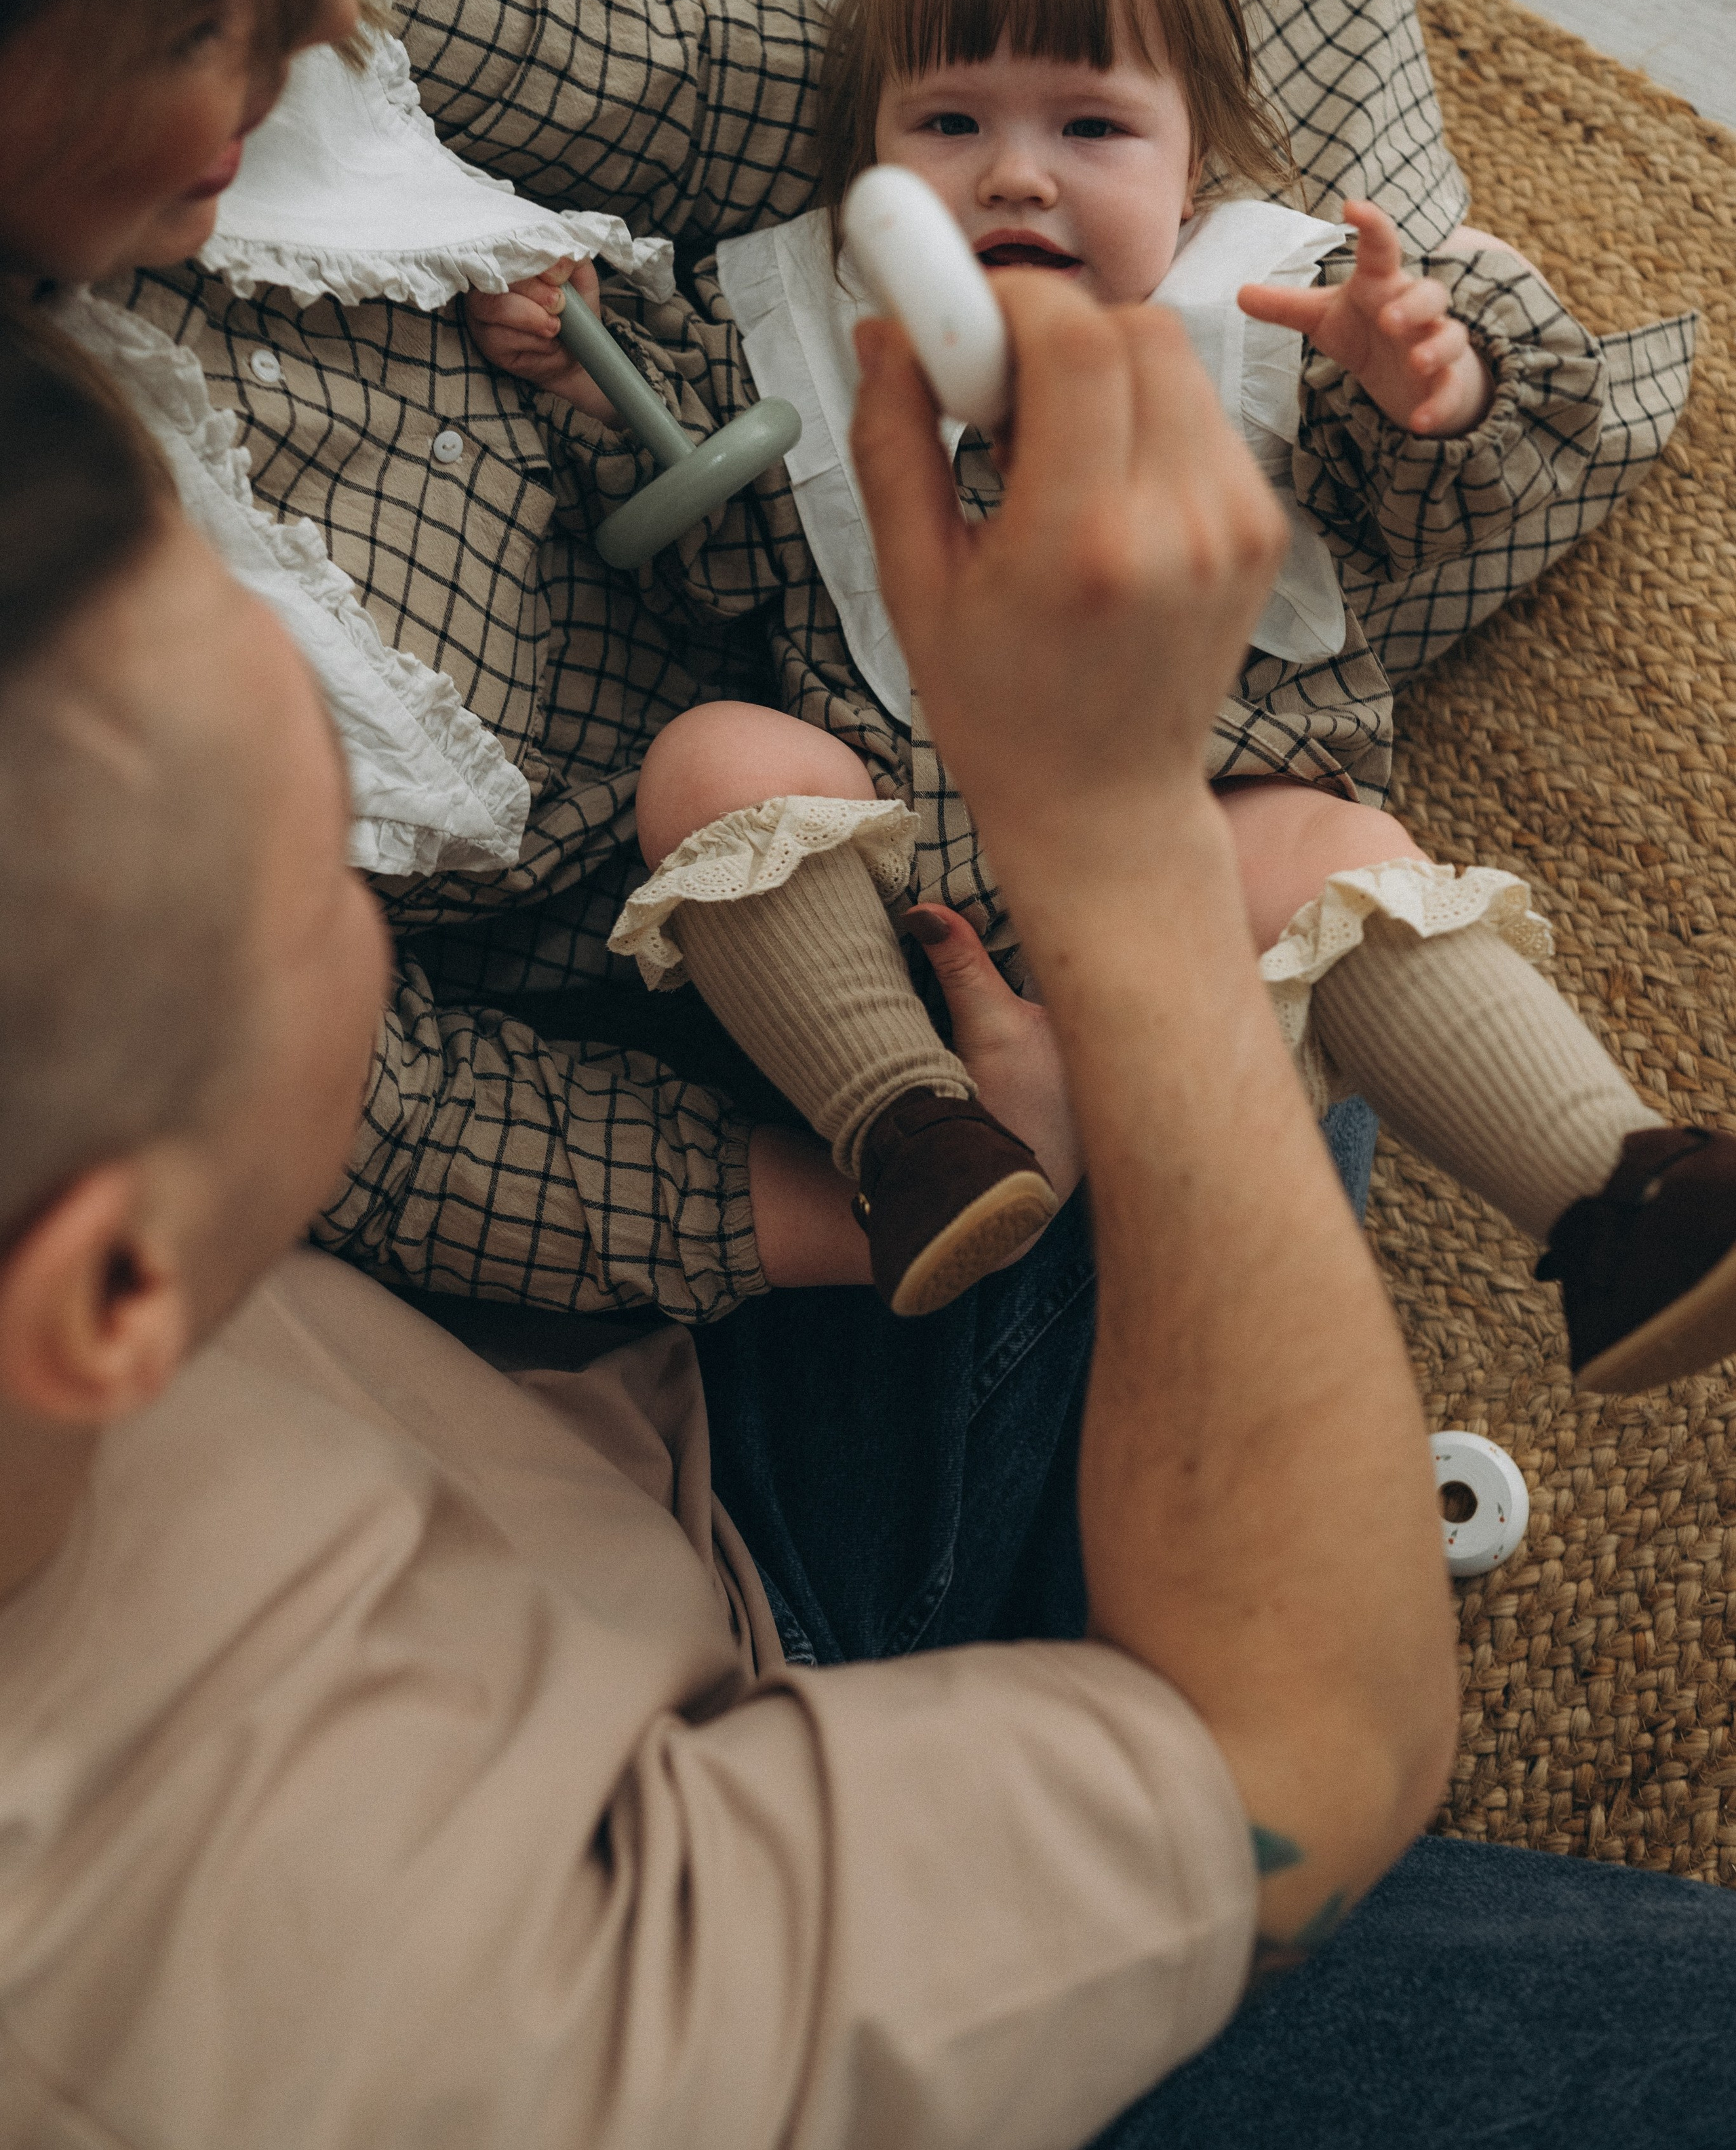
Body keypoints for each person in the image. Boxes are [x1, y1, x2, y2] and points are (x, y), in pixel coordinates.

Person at [7, 267, 1736, 2150]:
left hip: (639, 1462)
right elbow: (1315, 1756)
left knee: (1167, 1010)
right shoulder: (367, 2021)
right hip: (716, 1844)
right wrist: (1113, 829)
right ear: (106, 1292)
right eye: (322, 868)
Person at [11, 0, 1689, 1333]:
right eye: (202, 18)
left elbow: (696, 80)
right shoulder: (91, 660)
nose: (333, 24)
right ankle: (923, 1143)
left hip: (1204, 720)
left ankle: (1625, 1185)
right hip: (777, 954)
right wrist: (916, 1187)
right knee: (1173, 1223)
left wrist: (1405, 359)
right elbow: (391, 1125)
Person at [468, 0, 1732, 1392]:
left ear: (1195, 154)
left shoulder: (1266, 295)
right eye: (947, 127)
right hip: (906, 872)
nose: (1013, 179)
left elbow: (1430, 505)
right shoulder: (795, 318)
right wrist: (598, 386)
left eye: (1088, 129)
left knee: (1338, 855)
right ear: (866, 148)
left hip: (1208, 811)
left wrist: (1431, 377)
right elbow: (726, 553)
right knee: (713, 758)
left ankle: (1611, 1186)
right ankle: (906, 1128)